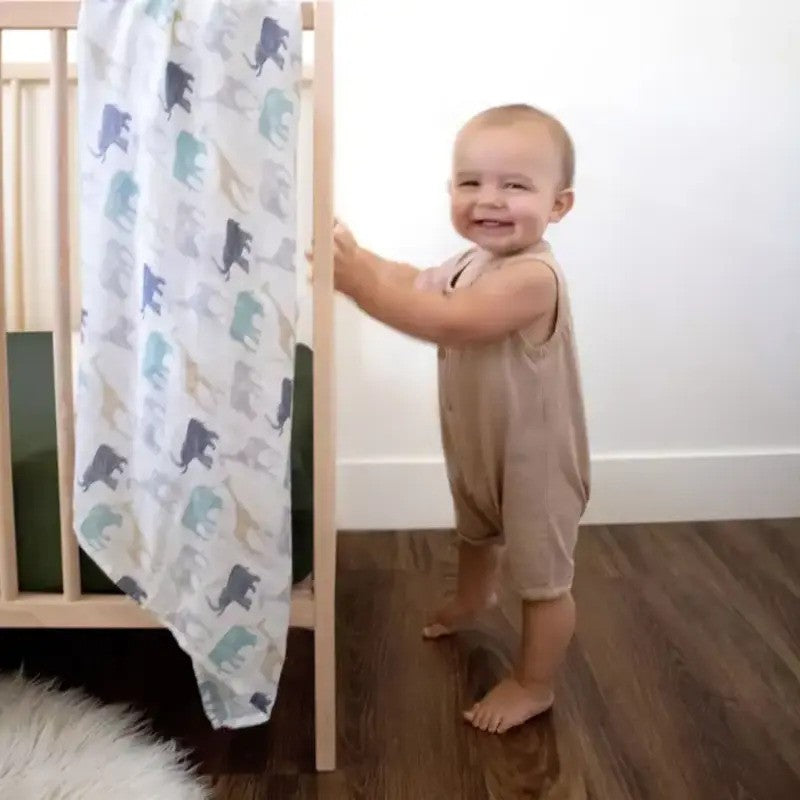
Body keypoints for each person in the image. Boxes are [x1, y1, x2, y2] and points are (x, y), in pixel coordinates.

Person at [321, 103, 590, 734]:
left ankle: (534, 683)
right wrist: (359, 258)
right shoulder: (473, 263)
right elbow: (416, 282)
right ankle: (473, 597)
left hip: (536, 461)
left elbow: (449, 321)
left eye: (514, 185)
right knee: (476, 531)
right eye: (470, 182)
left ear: (558, 205)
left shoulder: (533, 278)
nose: (488, 199)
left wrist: (359, 285)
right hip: (481, 444)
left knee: (543, 582)